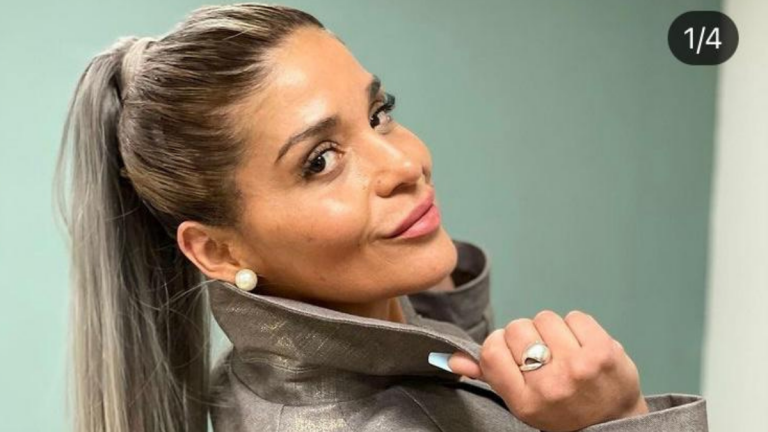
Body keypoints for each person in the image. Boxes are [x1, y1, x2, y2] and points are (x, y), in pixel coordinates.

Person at [54, 3, 708, 432]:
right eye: (320, 161)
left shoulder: (268, 373)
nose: (404, 163)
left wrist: (442, 316)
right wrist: (618, 418)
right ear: (219, 252)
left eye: (379, 113)